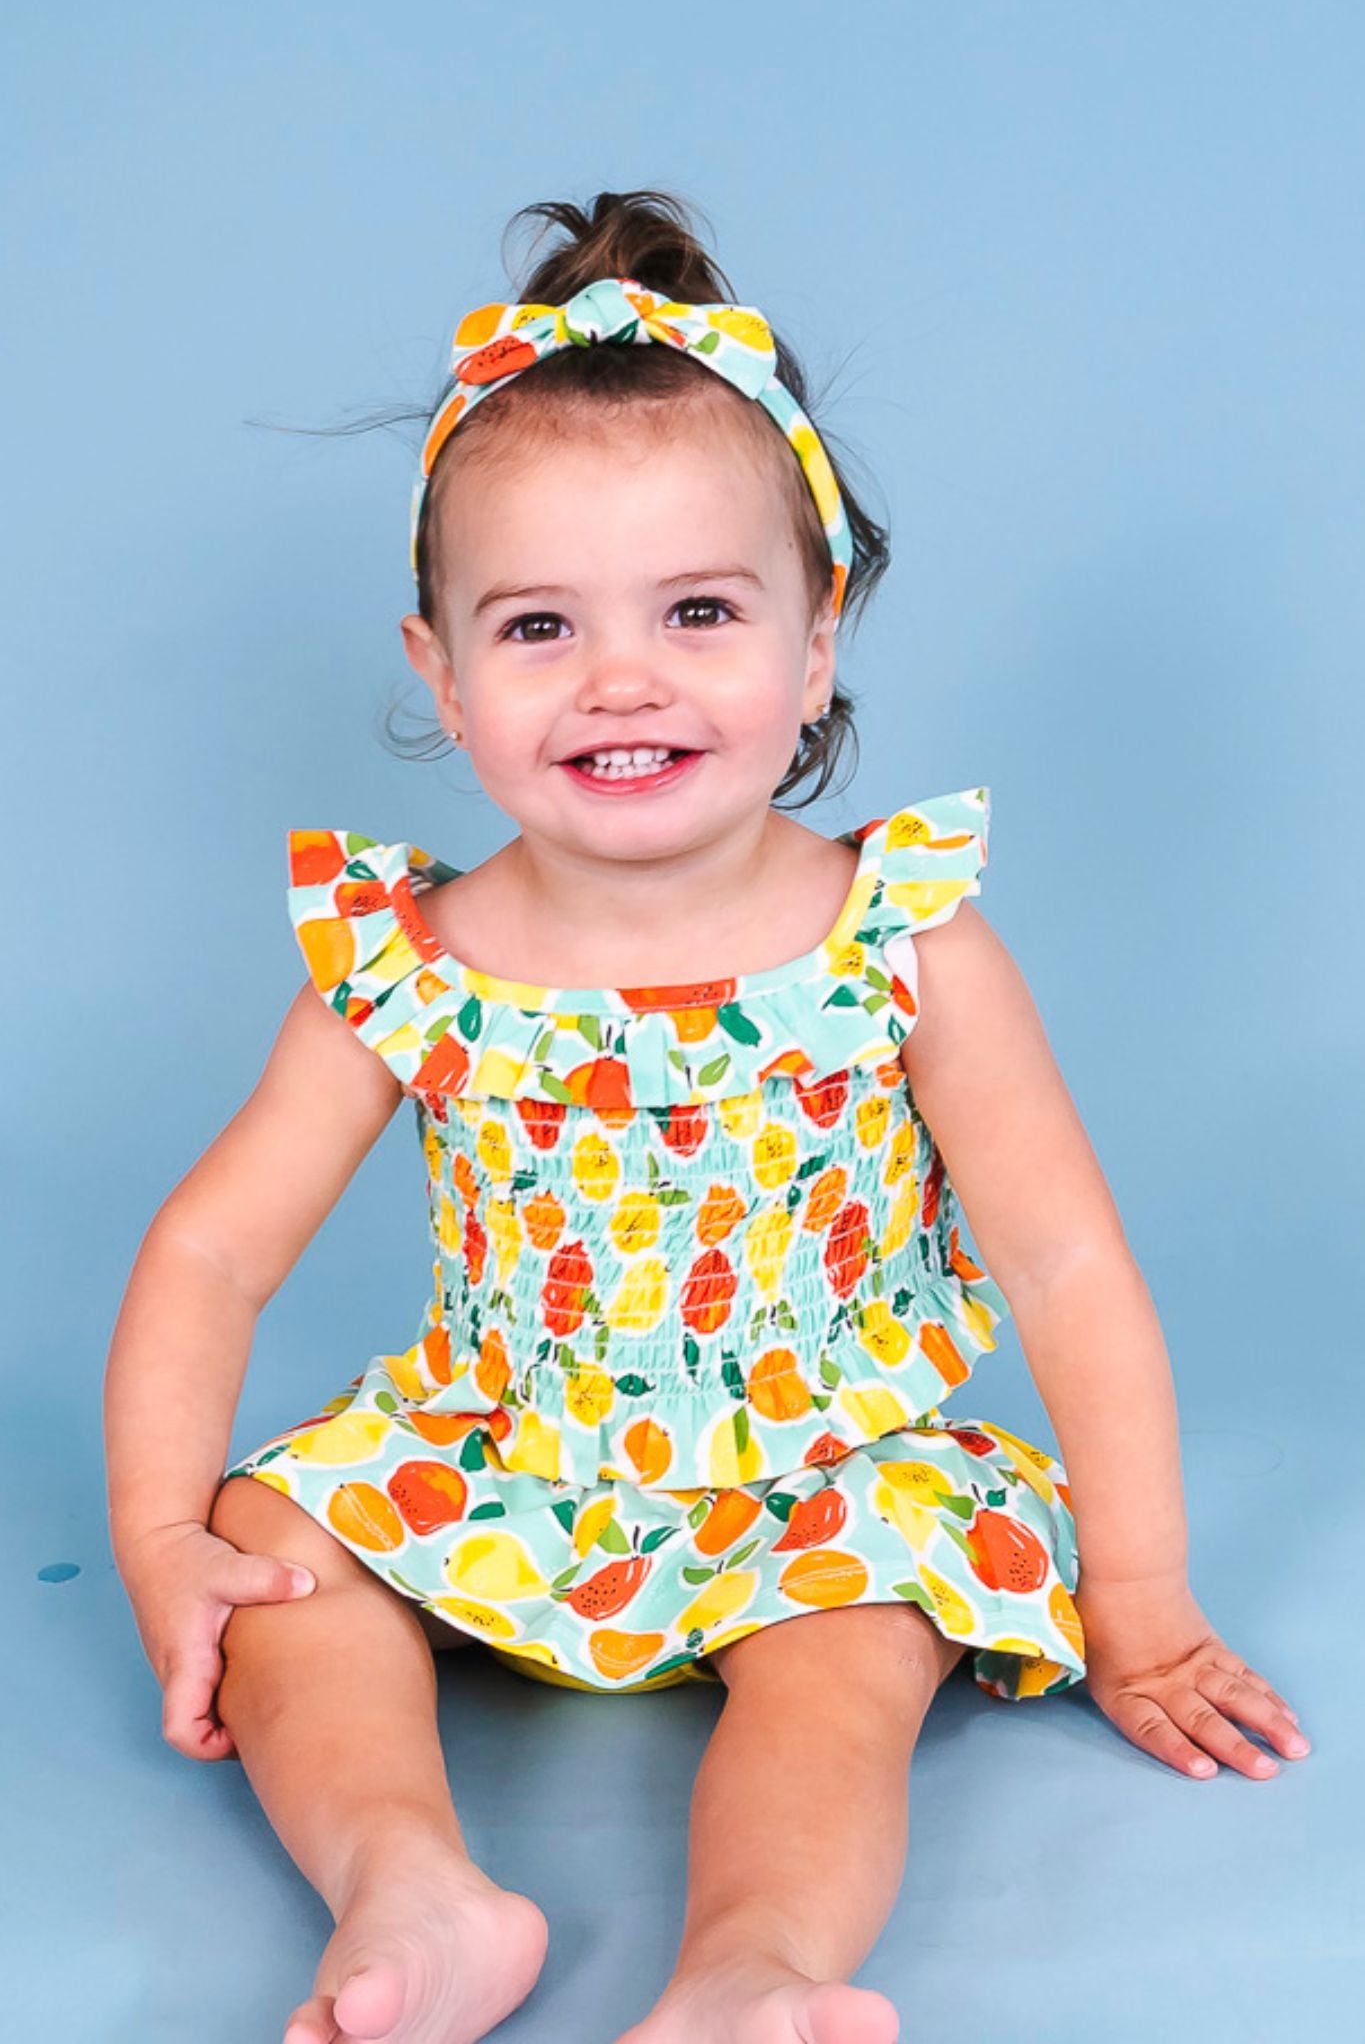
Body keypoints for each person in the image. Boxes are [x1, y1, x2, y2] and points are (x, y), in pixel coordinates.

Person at [104, 186, 1310, 2044]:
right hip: (500, 1448)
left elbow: (1064, 1264)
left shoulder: (899, 943)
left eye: (697, 612)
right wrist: (158, 1539)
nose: (622, 680)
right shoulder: (412, 961)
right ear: (438, 673)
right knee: (275, 1547)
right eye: (537, 625)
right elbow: (209, 1253)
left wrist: (1137, 1599)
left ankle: (749, 1967)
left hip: (816, 1471)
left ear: (814, 641)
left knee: (847, 1656)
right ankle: (409, 1889)